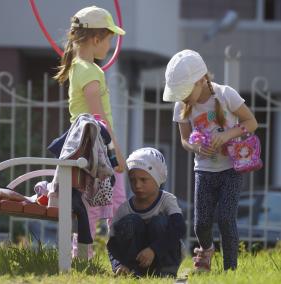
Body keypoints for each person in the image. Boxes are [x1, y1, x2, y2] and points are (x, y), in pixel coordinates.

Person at [162, 49, 258, 271]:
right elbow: (185, 140)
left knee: (226, 219)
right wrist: (195, 146)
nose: (183, 97)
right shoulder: (182, 107)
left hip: (231, 169)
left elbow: (251, 122)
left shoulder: (226, 95)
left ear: (201, 80)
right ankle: (206, 251)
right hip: (203, 171)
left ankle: (230, 270)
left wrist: (226, 135)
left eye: (185, 91)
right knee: (201, 223)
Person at [53, 6, 127, 258]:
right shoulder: (91, 71)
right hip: (98, 148)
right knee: (116, 204)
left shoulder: (77, 67)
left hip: (85, 148)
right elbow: (99, 119)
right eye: (109, 39)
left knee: (90, 205)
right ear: (96, 39)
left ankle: (81, 256)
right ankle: (122, 256)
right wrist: (115, 150)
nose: (110, 45)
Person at [107, 148, 186, 278]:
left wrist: (154, 249)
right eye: (133, 180)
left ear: (158, 178)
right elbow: (112, 242)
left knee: (158, 222)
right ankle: (132, 271)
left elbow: (179, 228)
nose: (137, 185)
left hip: (162, 255)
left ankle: (166, 272)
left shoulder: (167, 200)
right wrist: (118, 264)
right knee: (132, 221)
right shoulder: (125, 209)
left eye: (143, 180)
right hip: (136, 261)